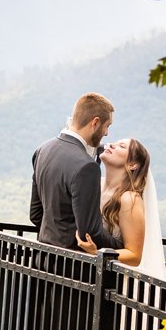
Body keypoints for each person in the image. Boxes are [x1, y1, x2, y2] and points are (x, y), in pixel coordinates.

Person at [30, 92, 120, 253]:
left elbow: (36, 215)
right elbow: (91, 232)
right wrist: (121, 246)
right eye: (107, 126)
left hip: (41, 260)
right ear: (95, 122)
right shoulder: (87, 166)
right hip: (72, 268)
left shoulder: (42, 150)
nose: (107, 133)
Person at [79, 137, 166, 279]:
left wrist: (96, 252)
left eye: (121, 146)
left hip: (112, 282)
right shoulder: (96, 184)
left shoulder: (129, 199)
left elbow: (134, 256)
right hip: (87, 273)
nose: (112, 145)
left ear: (133, 164)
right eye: (114, 143)